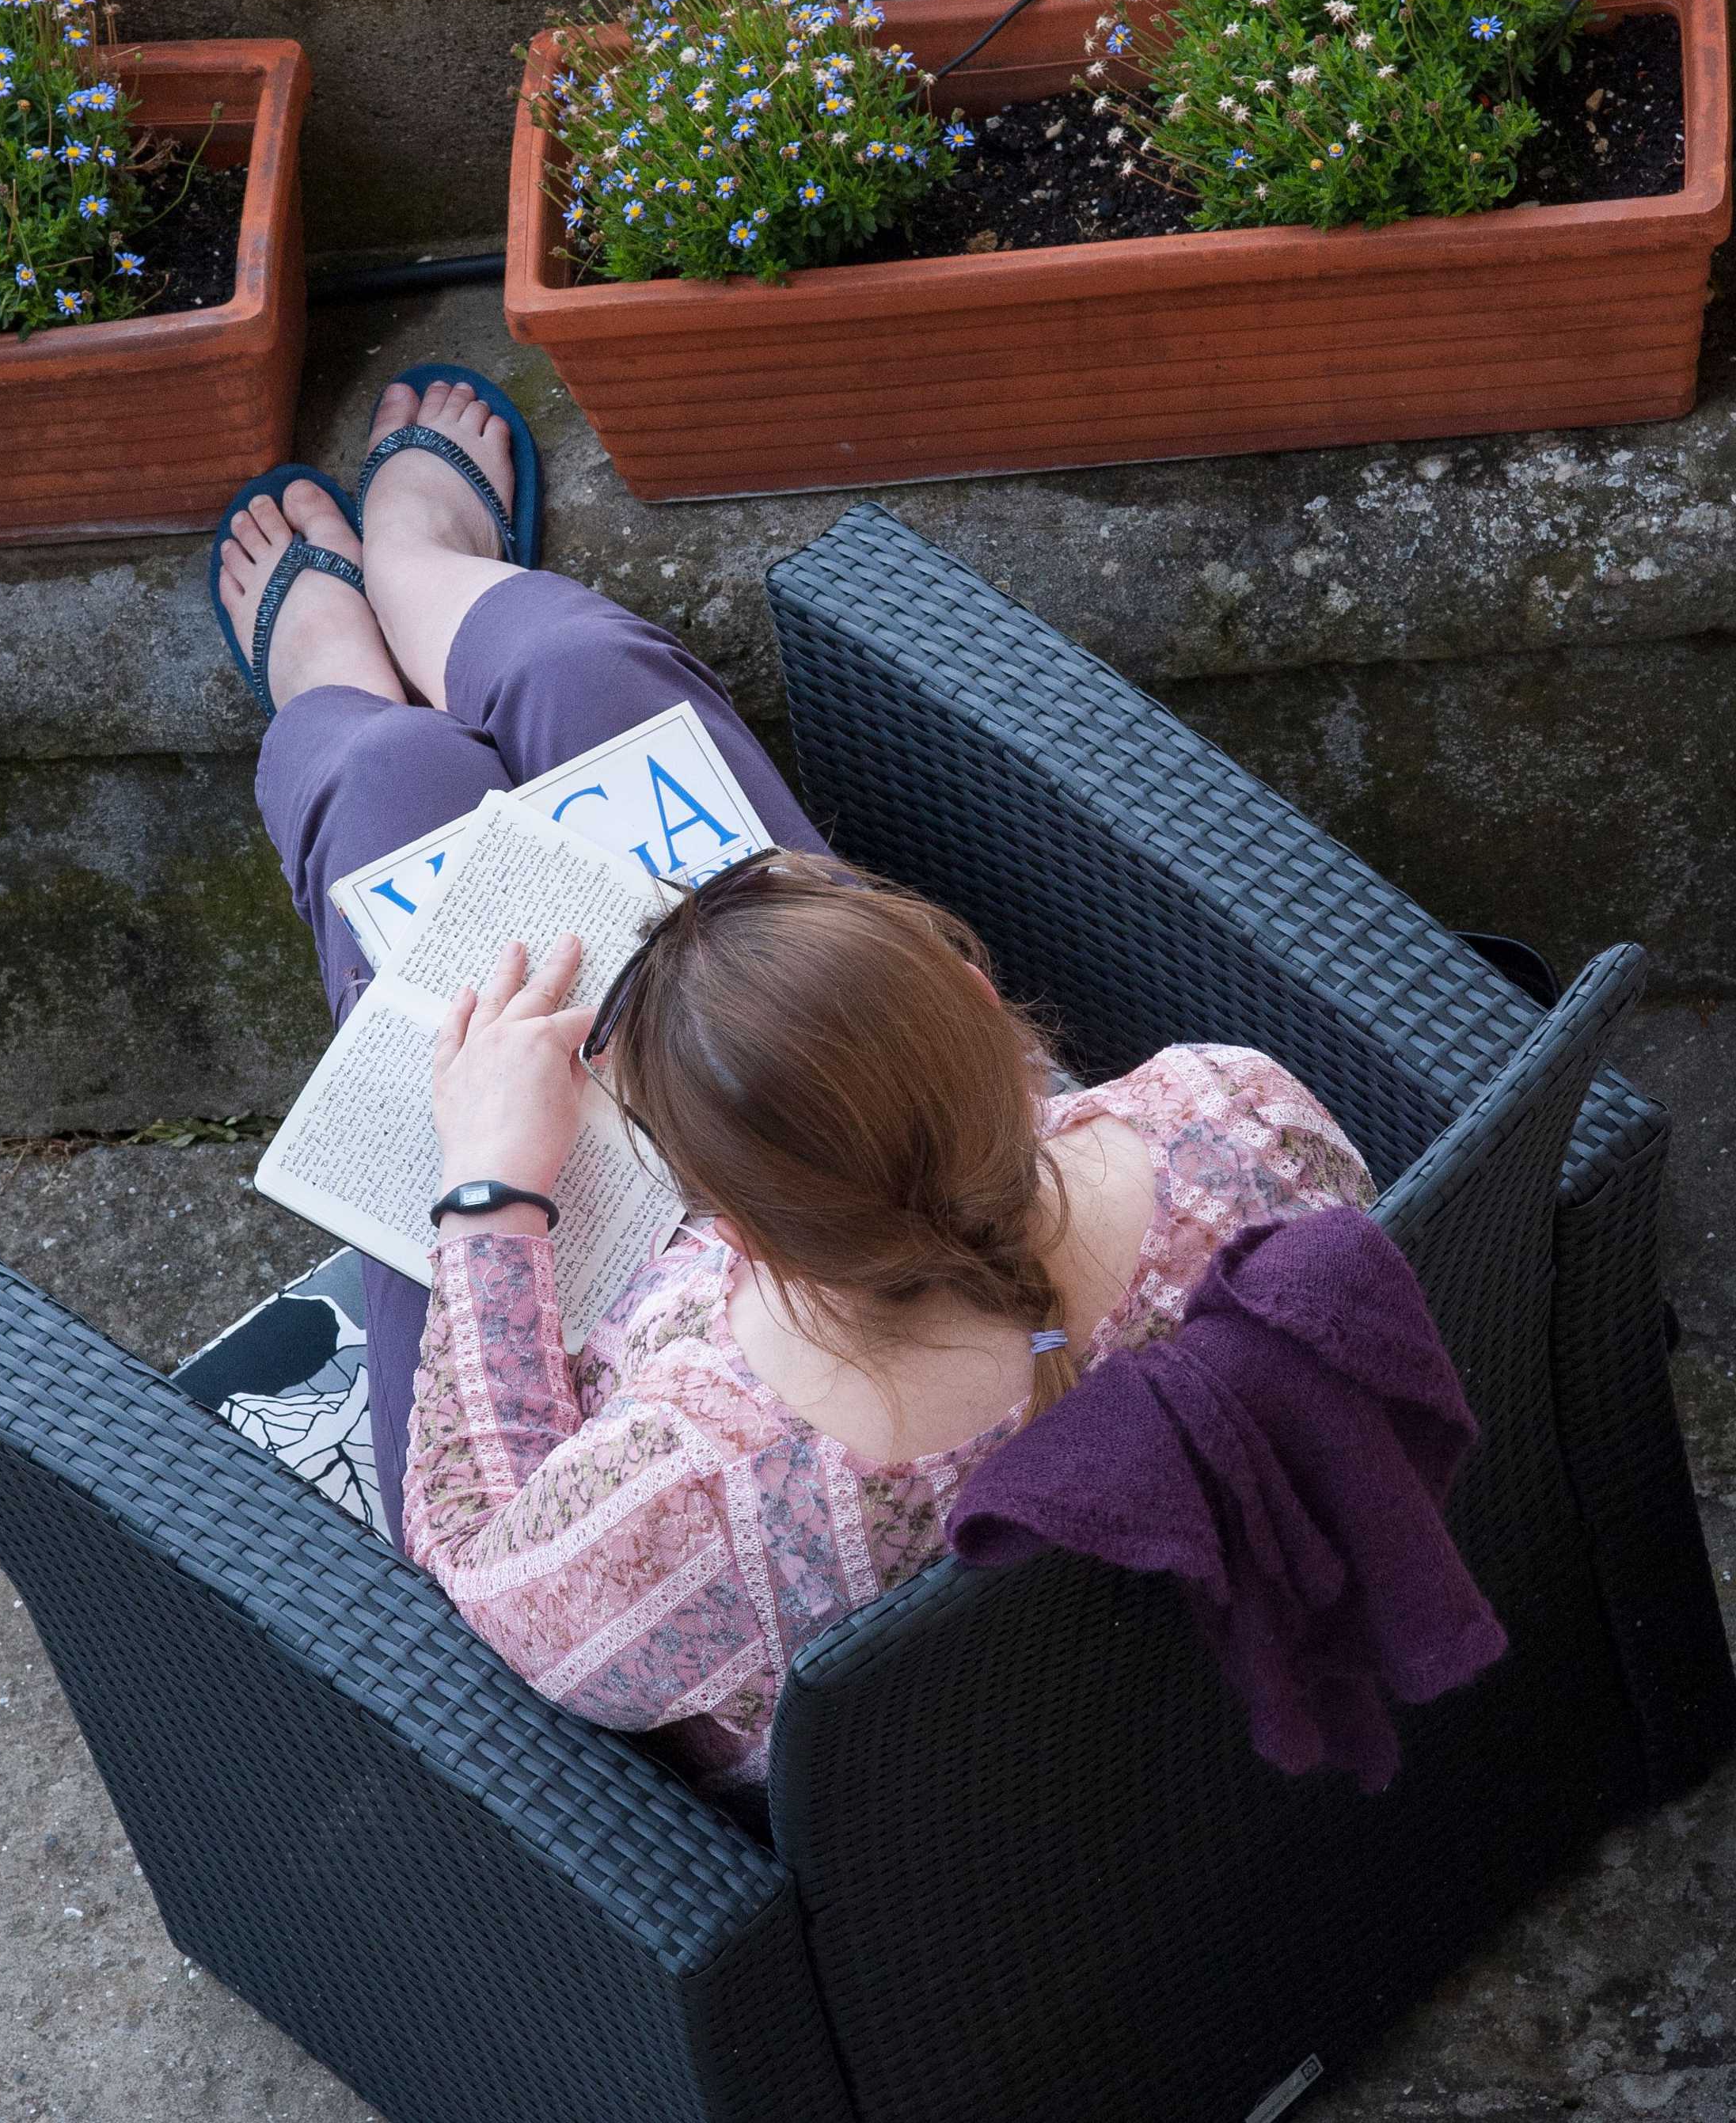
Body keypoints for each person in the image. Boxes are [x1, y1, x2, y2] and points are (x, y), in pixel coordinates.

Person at [218, 373, 1375, 1805]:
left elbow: (481, 1564)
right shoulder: (1240, 1120)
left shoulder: (688, 1496)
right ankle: (421, 581)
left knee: (388, 787)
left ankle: (350, 678)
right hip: (928, 1315)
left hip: (674, 1432)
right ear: (971, 1003)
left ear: (715, 1225)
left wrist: (493, 1192)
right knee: (586, 685)